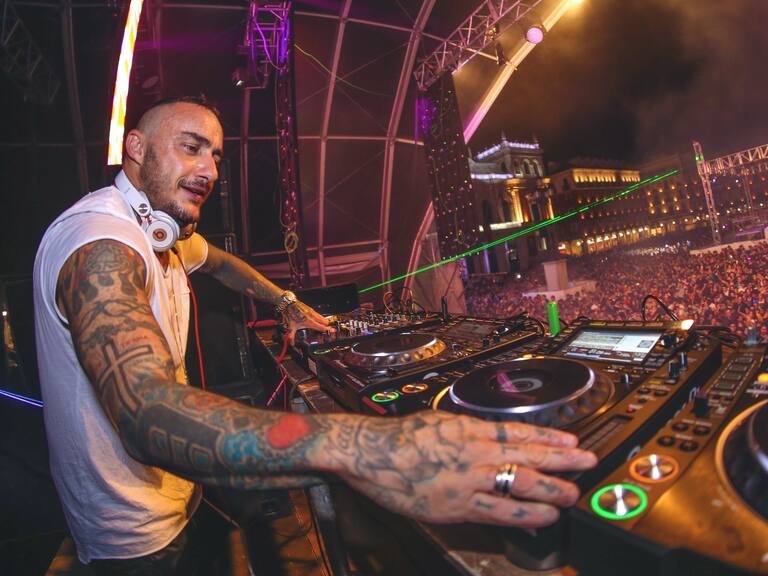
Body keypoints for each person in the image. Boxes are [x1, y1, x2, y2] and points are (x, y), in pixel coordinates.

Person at [33, 96, 597, 572]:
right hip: (132, 540)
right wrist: (370, 449)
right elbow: (144, 416)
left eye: (216, 155)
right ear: (135, 147)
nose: (210, 170)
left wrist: (287, 302)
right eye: (191, 147)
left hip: (178, 497)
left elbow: (224, 265)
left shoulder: (163, 233)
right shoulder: (99, 243)